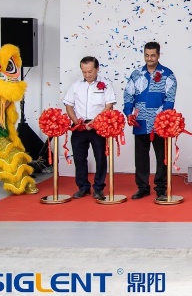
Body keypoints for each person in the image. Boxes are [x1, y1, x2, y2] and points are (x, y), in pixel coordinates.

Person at [123, 41, 177, 201]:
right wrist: (128, 113)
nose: (149, 58)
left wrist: (163, 119)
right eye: (147, 55)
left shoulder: (168, 74)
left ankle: (161, 188)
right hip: (140, 121)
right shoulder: (136, 74)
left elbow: (170, 99)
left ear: (158, 55)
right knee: (141, 158)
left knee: (162, 157)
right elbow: (128, 95)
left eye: (153, 55)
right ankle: (142, 188)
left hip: (160, 123)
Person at [62, 56, 117, 201]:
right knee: (79, 158)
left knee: (100, 157)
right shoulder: (76, 85)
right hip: (79, 126)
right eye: (84, 72)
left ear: (97, 69)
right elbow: (69, 105)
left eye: (90, 71)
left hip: (98, 126)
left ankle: (98, 188)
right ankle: (83, 187)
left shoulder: (106, 84)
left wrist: (95, 121)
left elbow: (109, 105)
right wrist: (76, 121)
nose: (87, 75)